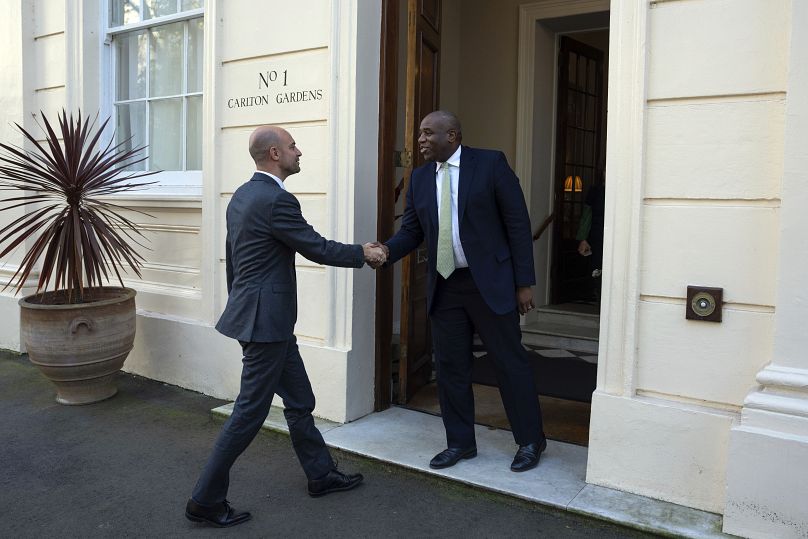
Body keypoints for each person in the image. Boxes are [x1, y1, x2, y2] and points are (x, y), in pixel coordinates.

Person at [185, 125, 386, 528]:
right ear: (275, 154)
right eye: (293, 146)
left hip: (255, 318)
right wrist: (363, 253)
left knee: (300, 400)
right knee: (248, 414)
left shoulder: (241, 196)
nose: (299, 151)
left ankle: (320, 474)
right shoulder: (278, 200)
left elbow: (234, 260)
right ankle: (205, 500)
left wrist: (243, 313)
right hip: (267, 325)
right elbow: (315, 246)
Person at [376, 110, 546, 472]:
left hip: (491, 284)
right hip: (446, 285)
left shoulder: (490, 164)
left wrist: (523, 283)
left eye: (427, 133)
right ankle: (460, 443)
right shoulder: (419, 179)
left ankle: (530, 441)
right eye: (419, 134)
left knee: (509, 364)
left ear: (452, 135)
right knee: (451, 368)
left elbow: (517, 223)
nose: (420, 140)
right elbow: (412, 231)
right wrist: (387, 251)